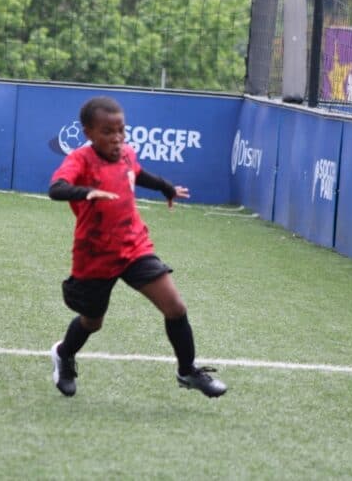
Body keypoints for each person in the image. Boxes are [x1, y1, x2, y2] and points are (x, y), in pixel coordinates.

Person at [47, 96, 227, 398]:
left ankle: (187, 371)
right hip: (94, 255)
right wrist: (87, 192)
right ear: (88, 132)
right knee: (92, 322)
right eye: (107, 132)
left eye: (121, 130)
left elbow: (137, 173)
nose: (117, 138)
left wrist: (166, 187)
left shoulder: (127, 153)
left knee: (175, 307)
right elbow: (56, 188)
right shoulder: (80, 160)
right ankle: (64, 355)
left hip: (134, 247)